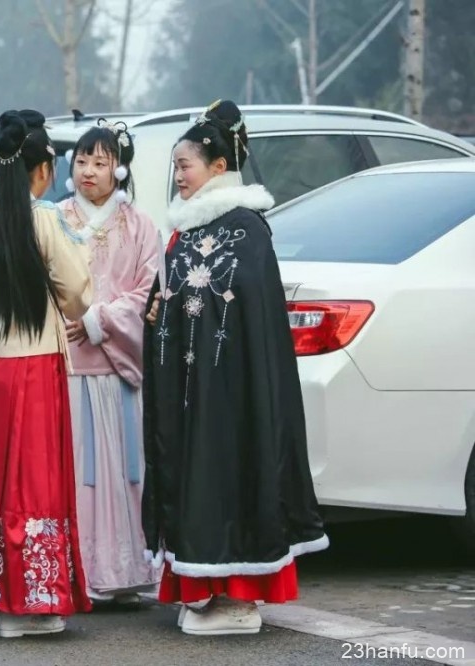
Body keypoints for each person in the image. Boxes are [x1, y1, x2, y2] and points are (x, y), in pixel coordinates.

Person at [142, 100, 328, 636]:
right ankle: (205, 590)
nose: (178, 176)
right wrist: (158, 309)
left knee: (228, 475)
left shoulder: (245, 227)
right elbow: (172, 295)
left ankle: (240, 599)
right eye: (175, 166)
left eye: (186, 165)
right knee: (194, 473)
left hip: (231, 389)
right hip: (192, 387)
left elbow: (244, 306)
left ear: (218, 167)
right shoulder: (185, 226)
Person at [0, 109, 94, 638]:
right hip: (34, 365)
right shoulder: (46, 220)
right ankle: (24, 608)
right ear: (44, 168)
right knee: (32, 483)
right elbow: (77, 292)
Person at [58, 120, 161, 605]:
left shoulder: (140, 225)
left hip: (121, 372)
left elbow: (150, 295)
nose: (89, 172)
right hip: (69, 370)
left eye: (100, 163)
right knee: (75, 472)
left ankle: (126, 572)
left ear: (118, 169)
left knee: (125, 471)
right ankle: (78, 571)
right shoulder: (54, 219)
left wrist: (98, 320)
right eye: (81, 161)